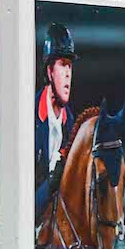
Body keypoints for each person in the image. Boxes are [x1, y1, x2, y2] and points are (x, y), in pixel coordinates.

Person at [34, 23, 78, 219]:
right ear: (50, 71)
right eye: (62, 64)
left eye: (70, 65)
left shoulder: (72, 125)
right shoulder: (28, 117)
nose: (68, 72)